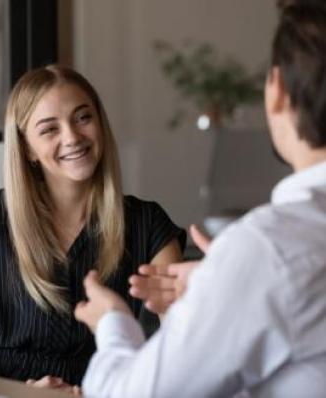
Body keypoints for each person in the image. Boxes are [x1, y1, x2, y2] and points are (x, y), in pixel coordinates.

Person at [75, 0, 326, 396]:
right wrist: (223, 286)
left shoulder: (267, 251)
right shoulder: (262, 255)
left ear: (276, 90)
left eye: (83, 118)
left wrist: (113, 323)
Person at [0, 65, 185, 393]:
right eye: (49, 129)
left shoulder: (147, 224)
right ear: (27, 149)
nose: (72, 137)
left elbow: (183, 350)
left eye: (83, 117)